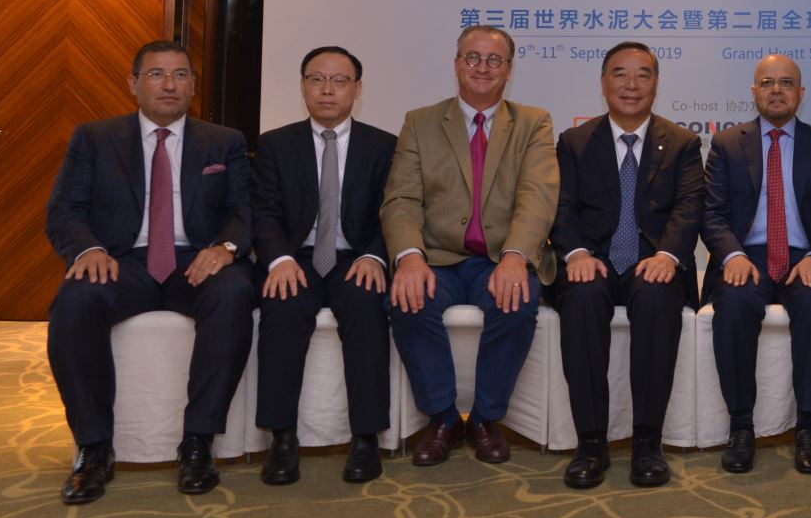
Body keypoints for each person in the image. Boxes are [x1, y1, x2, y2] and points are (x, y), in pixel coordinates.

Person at [44, 40, 253, 503]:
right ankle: (94, 448)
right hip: (123, 261)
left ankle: (198, 442)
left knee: (234, 291)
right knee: (76, 298)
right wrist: (88, 250)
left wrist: (225, 247)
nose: (169, 84)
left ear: (193, 86)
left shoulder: (225, 141)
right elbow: (64, 210)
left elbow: (243, 211)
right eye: (157, 74)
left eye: (180, 75)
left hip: (194, 260)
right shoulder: (94, 138)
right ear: (133, 84)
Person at [382, 25, 559, 467]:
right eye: (473, 57)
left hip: (498, 258)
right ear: (457, 64)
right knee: (406, 300)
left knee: (517, 301)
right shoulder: (420, 122)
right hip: (436, 259)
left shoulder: (533, 122)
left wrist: (516, 257)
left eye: (495, 60)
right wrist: (409, 258)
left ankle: (484, 418)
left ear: (509, 70)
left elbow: (537, 194)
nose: (483, 67)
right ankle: (443, 417)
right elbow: (402, 198)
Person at [549, 42, 704, 489]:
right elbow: (561, 206)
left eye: (643, 75)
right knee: (581, 299)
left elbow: (689, 206)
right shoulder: (575, 142)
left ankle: (647, 442)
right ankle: (590, 442)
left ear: (656, 83)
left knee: (656, 299)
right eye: (620, 74)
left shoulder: (682, 142)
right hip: (593, 261)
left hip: (653, 261)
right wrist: (576, 253)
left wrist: (668, 255)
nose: (631, 85)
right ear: (603, 83)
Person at [702, 54, 811, 474]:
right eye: (767, 82)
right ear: (753, 91)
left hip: (806, 256)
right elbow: (711, 213)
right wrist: (731, 255)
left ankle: (808, 427)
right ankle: (741, 426)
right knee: (733, 304)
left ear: (801, 93)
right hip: (746, 255)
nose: (776, 90)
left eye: (786, 83)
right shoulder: (727, 144)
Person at [252, 45, 395, 485]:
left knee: (368, 305)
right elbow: (264, 213)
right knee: (282, 305)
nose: (327, 90)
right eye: (316, 80)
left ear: (357, 89)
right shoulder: (275, 144)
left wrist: (375, 255)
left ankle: (366, 438)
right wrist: (278, 259)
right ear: (302, 87)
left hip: (356, 258)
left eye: (339, 81)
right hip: (297, 256)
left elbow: (397, 211)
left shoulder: (384, 146)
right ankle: (282, 438)